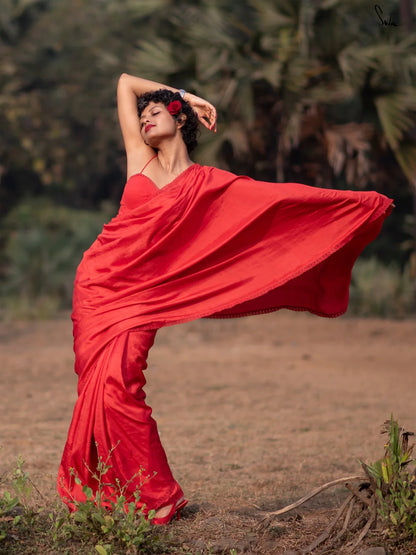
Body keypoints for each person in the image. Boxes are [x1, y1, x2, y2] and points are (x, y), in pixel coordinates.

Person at [57, 74, 393, 524]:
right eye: (141, 117)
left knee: (121, 385)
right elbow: (122, 83)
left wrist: (353, 206)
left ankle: (149, 495)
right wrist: (185, 94)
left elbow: (272, 201)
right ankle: (133, 496)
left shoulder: (208, 182)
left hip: (145, 295)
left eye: (153, 112)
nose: (143, 120)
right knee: (102, 387)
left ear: (177, 122)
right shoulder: (140, 159)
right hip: (100, 282)